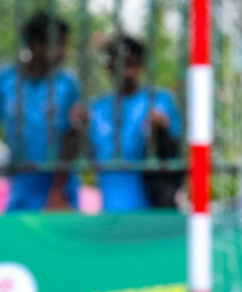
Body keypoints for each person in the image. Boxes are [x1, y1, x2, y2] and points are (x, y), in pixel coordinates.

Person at [0, 11, 80, 211]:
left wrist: (58, 191)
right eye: (58, 45)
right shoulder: (3, 81)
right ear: (35, 45)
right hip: (20, 186)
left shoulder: (68, 84)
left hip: (59, 190)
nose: (64, 52)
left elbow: (71, 138)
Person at [78, 35, 182, 212]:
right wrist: (78, 130)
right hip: (109, 213)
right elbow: (86, 158)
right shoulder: (96, 109)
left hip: (154, 211)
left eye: (132, 61)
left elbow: (176, 156)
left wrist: (161, 132)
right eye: (119, 60)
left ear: (140, 63)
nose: (127, 67)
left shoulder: (161, 101)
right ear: (108, 65)